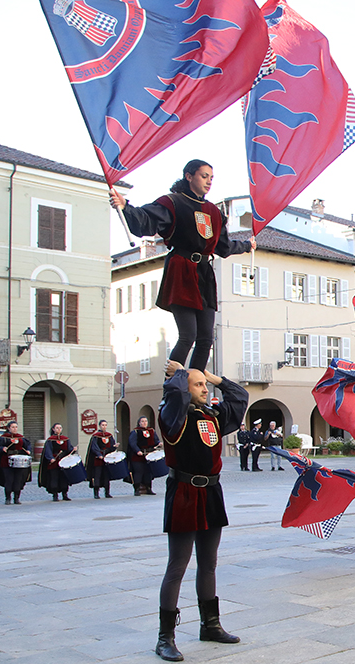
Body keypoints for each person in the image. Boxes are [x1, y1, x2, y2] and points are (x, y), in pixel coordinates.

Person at [110, 160, 255, 372]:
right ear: (189, 176)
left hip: (204, 273)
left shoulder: (214, 212)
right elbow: (146, 219)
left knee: (206, 338)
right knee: (188, 335)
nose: (208, 182)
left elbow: (223, 247)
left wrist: (246, 246)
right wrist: (125, 206)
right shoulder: (173, 203)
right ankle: (172, 388)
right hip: (182, 270)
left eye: (211, 178)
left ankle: (195, 387)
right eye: (204, 176)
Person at [155, 360, 248, 662]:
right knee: (177, 566)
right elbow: (177, 397)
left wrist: (213, 377)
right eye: (198, 385)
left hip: (210, 491)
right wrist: (181, 375)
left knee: (209, 564)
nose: (204, 389)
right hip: (183, 492)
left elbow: (239, 398)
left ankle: (210, 625)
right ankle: (165, 637)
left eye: (204, 385)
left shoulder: (212, 414)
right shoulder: (173, 415)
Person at [0, 422, 32, 504]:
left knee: (18, 479)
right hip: (6, 462)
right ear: (9, 428)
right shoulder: (3, 438)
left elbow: (28, 445)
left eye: (16, 427)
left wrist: (28, 450)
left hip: (19, 462)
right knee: (9, 480)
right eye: (13, 427)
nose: (15, 429)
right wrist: (2, 448)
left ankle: (16, 498)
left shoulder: (21, 438)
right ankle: (8, 498)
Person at [40, 424, 75, 502]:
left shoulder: (65, 439)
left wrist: (73, 449)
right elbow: (48, 450)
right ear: (53, 429)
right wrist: (50, 458)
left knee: (64, 478)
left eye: (60, 428)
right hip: (54, 462)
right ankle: (55, 494)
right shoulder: (50, 440)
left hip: (64, 461)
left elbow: (69, 449)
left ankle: (65, 494)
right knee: (54, 478)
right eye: (57, 428)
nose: (58, 429)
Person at [127, 416, 161, 496]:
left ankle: (148, 488)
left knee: (148, 472)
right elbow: (132, 443)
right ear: (139, 423)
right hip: (138, 456)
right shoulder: (135, 432)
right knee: (139, 472)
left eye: (145, 421)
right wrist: (137, 450)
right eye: (142, 421)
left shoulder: (151, 431)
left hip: (149, 456)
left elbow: (155, 440)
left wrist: (158, 443)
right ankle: (137, 489)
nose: (144, 423)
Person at [85, 420, 117, 499]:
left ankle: (107, 492)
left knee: (106, 476)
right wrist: (99, 454)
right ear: (99, 426)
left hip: (107, 459)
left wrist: (114, 447)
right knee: (97, 476)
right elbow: (94, 447)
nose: (104, 426)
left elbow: (111, 446)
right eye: (103, 425)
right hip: (98, 460)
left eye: (105, 425)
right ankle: (96, 493)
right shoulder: (96, 436)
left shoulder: (109, 436)